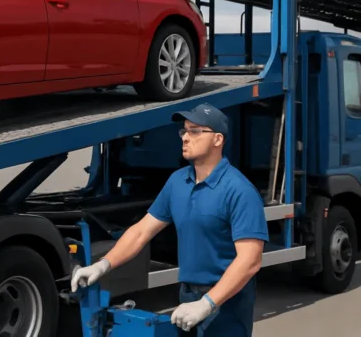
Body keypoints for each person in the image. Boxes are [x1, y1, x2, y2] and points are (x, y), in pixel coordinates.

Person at [70, 103, 268, 336]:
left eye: (195, 131)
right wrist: (102, 265)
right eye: (184, 130)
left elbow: (250, 260)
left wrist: (208, 303)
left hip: (227, 302)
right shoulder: (177, 182)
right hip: (187, 297)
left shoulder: (239, 190)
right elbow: (141, 231)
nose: (185, 137)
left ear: (217, 140)